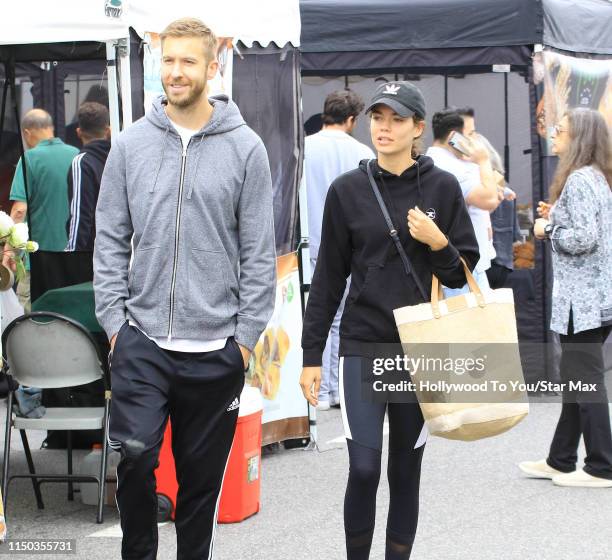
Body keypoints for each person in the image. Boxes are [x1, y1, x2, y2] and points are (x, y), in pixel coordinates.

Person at [93, 17, 276, 559]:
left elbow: (258, 254)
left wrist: (242, 341)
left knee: (200, 489)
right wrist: (114, 324)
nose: (176, 72)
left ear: (211, 67)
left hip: (215, 348)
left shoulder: (246, 150)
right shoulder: (130, 145)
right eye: (168, 61)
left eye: (187, 61)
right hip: (141, 341)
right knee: (135, 455)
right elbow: (108, 238)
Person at [300, 81, 479, 559]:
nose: (384, 127)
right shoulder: (347, 191)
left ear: (418, 128)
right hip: (362, 344)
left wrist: (438, 241)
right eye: (378, 117)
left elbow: (463, 272)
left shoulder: (442, 186)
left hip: (421, 350)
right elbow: (328, 278)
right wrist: (311, 354)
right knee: (362, 467)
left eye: (397, 119)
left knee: (406, 469)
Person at [520, 107, 612, 488]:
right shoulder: (596, 178)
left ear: (579, 139)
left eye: (561, 129)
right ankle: (560, 459)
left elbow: (584, 238)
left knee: (584, 380)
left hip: (584, 299)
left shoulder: (579, 180)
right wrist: (556, 217)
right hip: (596, 297)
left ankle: (602, 466)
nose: (553, 134)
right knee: (577, 379)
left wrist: (546, 230)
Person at [305, 89, 374, 410]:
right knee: (340, 318)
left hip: (306, 243)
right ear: (351, 119)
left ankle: (316, 388)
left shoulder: (302, 148)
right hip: (349, 246)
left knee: (314, 317)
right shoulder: (362, 152)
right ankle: (332, 389)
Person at [3, 109, 78, 309]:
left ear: (27, 133)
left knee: (28, 312)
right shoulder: (77, 155)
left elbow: (19, 211)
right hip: (73, 257)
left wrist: (9, 251)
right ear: (51, 128)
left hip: (36, 259)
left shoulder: (29, 159)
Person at [426, 108, 500, 292]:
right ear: (454, 136)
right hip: (464, 264)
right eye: (470, 134)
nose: (474, 141)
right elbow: (489, 199)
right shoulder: (449, 166)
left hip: (462, 261)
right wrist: (484, 161)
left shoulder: (440, 160)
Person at [64, 102, 111, 284]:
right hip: (119, 253)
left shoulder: (81, 163)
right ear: (108, 130)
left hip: (89, 257)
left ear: (78, 132)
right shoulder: (120, 157)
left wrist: (71, 257)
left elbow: (80, 214)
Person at [475, 134, 520, 289]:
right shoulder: (504, 186)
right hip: (503, 264)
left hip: (483, 263)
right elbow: (515, 236)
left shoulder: (478, 186)